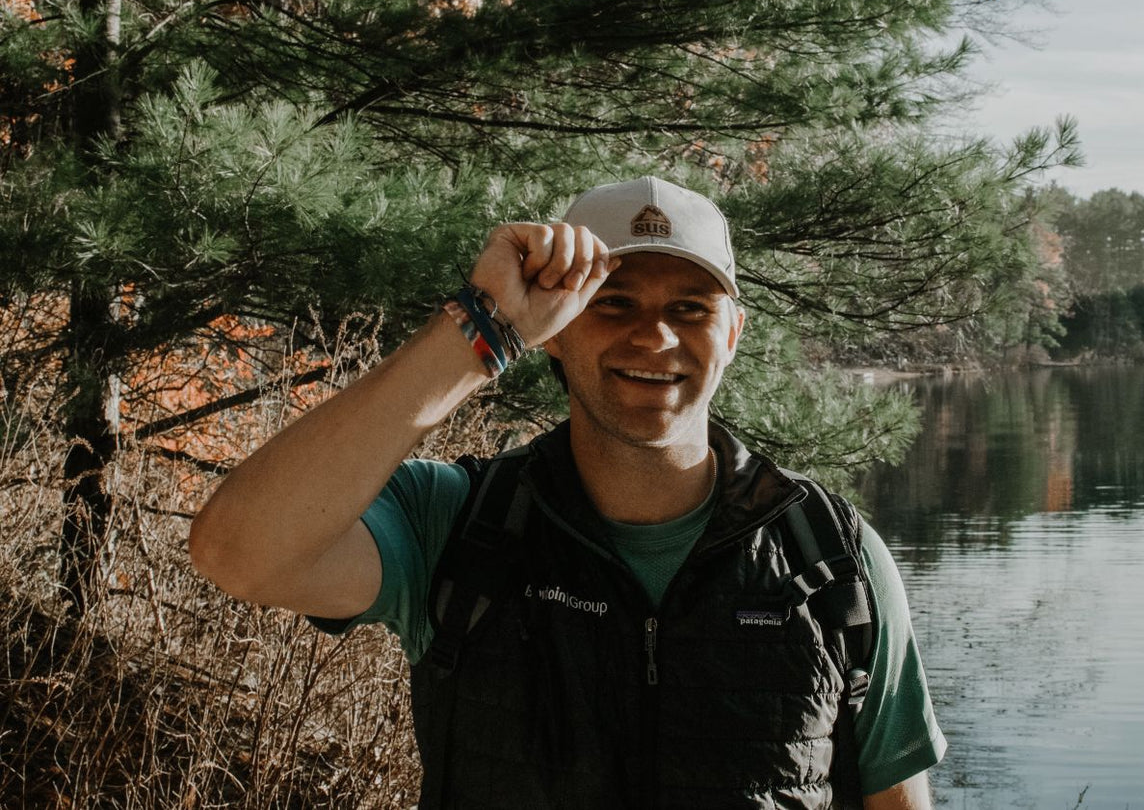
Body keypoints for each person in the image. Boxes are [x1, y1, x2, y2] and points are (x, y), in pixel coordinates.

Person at [190, 176, 946, 809]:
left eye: (690, 307)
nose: (654, 338)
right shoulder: (462, 522)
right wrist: (480, 329)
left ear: (734, 334)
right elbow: (237, 551)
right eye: (612, 303)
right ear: (553, 328)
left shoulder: (827, 554)